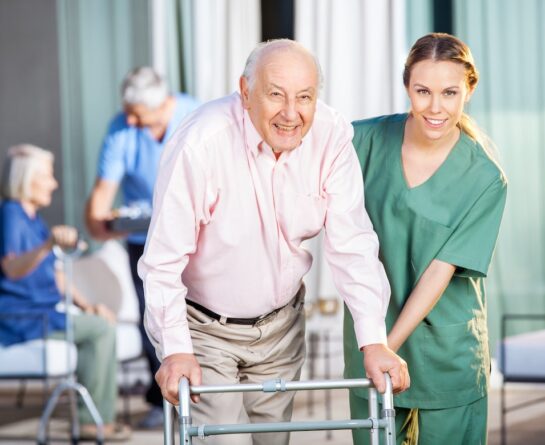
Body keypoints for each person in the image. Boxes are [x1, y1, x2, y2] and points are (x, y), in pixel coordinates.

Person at [138, 39, 410, 445]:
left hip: (282, 326)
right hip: (206, 330)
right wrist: (176, 350)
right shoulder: (201, 142)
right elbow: (162, 260)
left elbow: (352, 244)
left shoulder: (331, 135)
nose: (291, 113)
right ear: (246, 93)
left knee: (274, 440)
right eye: (275, 95)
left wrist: (374, 341)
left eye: (304, 97)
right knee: (225, 440)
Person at [344, 33, 508, 444]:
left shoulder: (486, 178)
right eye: (423, 91)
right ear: (406, 88)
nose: (436, 107)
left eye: (450, 92)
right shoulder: (360, 142)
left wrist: (384, 347)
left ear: (469, 90)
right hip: (371, 344)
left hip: (445, 355)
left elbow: (439, 271)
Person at [85, 66, 200, 428]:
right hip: (145, 240)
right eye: (128, 112)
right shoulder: (122, 128)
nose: (131, 120)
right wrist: (107, 222)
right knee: (155, 318)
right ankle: (162, 400)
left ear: (165, 103)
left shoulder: (194, 116)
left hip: (196, 236)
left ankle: (203, 395)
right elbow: (99, 205)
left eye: (139, 114)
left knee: (200, 312)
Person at [0, 144, 130, 440]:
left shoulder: (34, 220)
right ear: (26, 178)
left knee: (100, 322)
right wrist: (46, 247)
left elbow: (58, 276)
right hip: (23, 318)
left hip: (44, 314)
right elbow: (12, 268)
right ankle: (90, 422)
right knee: (99, 331)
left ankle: (94, 417)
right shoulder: (10, 215)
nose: (54, 183)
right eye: (47, 175)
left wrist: (88, 306)